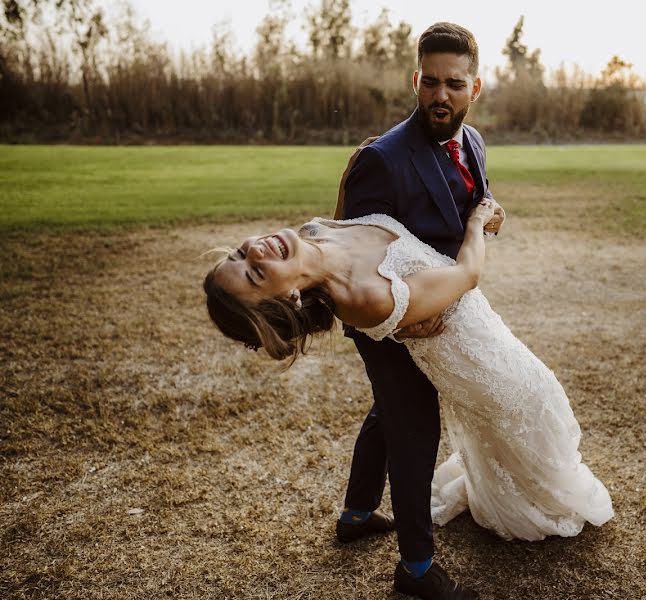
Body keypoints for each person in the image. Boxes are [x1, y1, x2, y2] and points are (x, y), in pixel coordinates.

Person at [204, 23, 613, 600]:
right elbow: (345, 265)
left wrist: (488, 217)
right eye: (430, 82)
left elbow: (461, 210)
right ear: (414, 80)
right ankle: (416, 568)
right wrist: (387, 323)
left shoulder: (472, 143)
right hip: (396, 323)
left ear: (476, 88)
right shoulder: (382, 160)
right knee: (414, 428)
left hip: (433, 306)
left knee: (387, 416)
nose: (440, 95)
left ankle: (354, 515)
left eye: (454, 84)